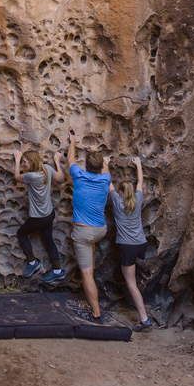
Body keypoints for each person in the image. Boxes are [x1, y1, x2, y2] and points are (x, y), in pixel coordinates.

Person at [68, 135, 111, 323]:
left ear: (86, 165)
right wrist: (106, 162)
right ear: (101, 167)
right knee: (90, 253)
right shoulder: (105, 179)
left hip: (83, 232)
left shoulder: (78, 175)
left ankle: (96, 313)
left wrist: (72, 142)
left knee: (87, 274)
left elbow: (70, 159)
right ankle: (91, 275)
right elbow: (105, 170)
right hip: (100, 230)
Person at [109, 156, 152, 332]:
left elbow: (108, 182)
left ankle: (144, 319)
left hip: (126, 247)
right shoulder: (138, 199)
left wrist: (105, 164)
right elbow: (141, 182)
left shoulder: (118, 203)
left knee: (131, 283)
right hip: (140, 243)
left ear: (120, 192)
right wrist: (138, 164)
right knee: (133, 277)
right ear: (132, 190)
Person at [12, 148, 65, 283]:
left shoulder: (31, 176)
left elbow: (17, 177)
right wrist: (57, 161)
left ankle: (32, 262)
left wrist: (17, 160)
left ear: (31, 162)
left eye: (25, 162)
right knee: (48, 241)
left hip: (38, 218)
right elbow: (60, 178)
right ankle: (57, 270)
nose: (23, 164)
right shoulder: (47, 169)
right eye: (22, 162)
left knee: (21, 234)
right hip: (49, 214)